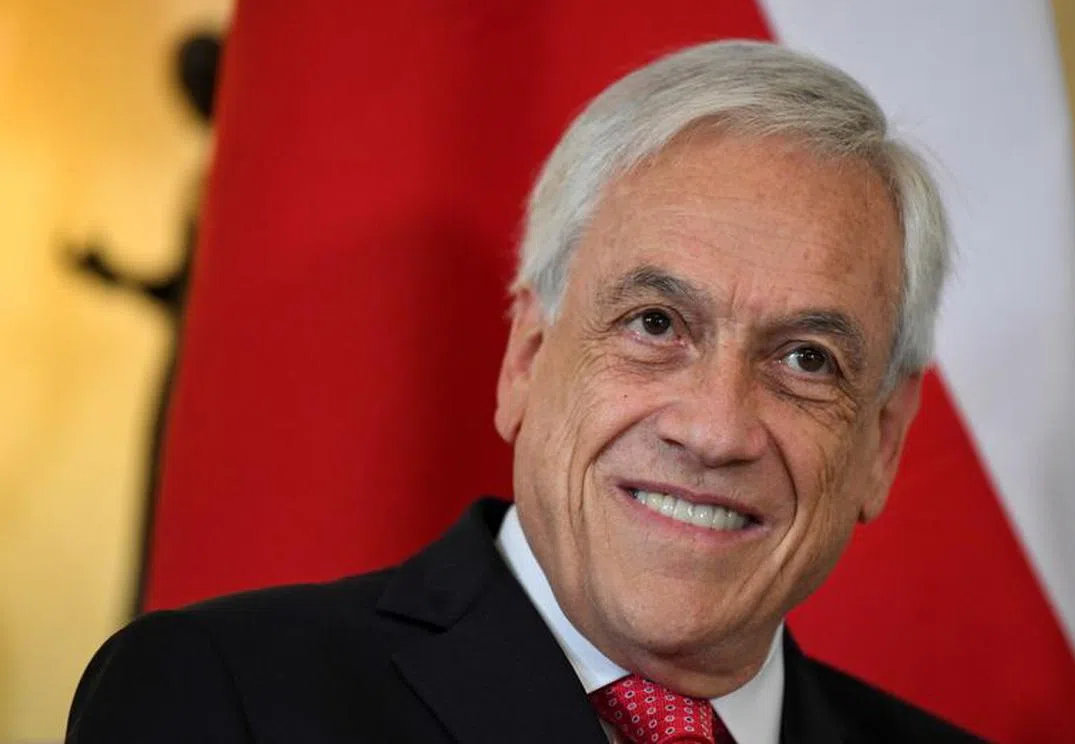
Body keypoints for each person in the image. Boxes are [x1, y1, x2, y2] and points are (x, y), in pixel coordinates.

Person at [66, 40, 982, 743]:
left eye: (807, 359)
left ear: (883, 442)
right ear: (527, 358)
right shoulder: (225, 700)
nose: (715, 429)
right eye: (656, 324)